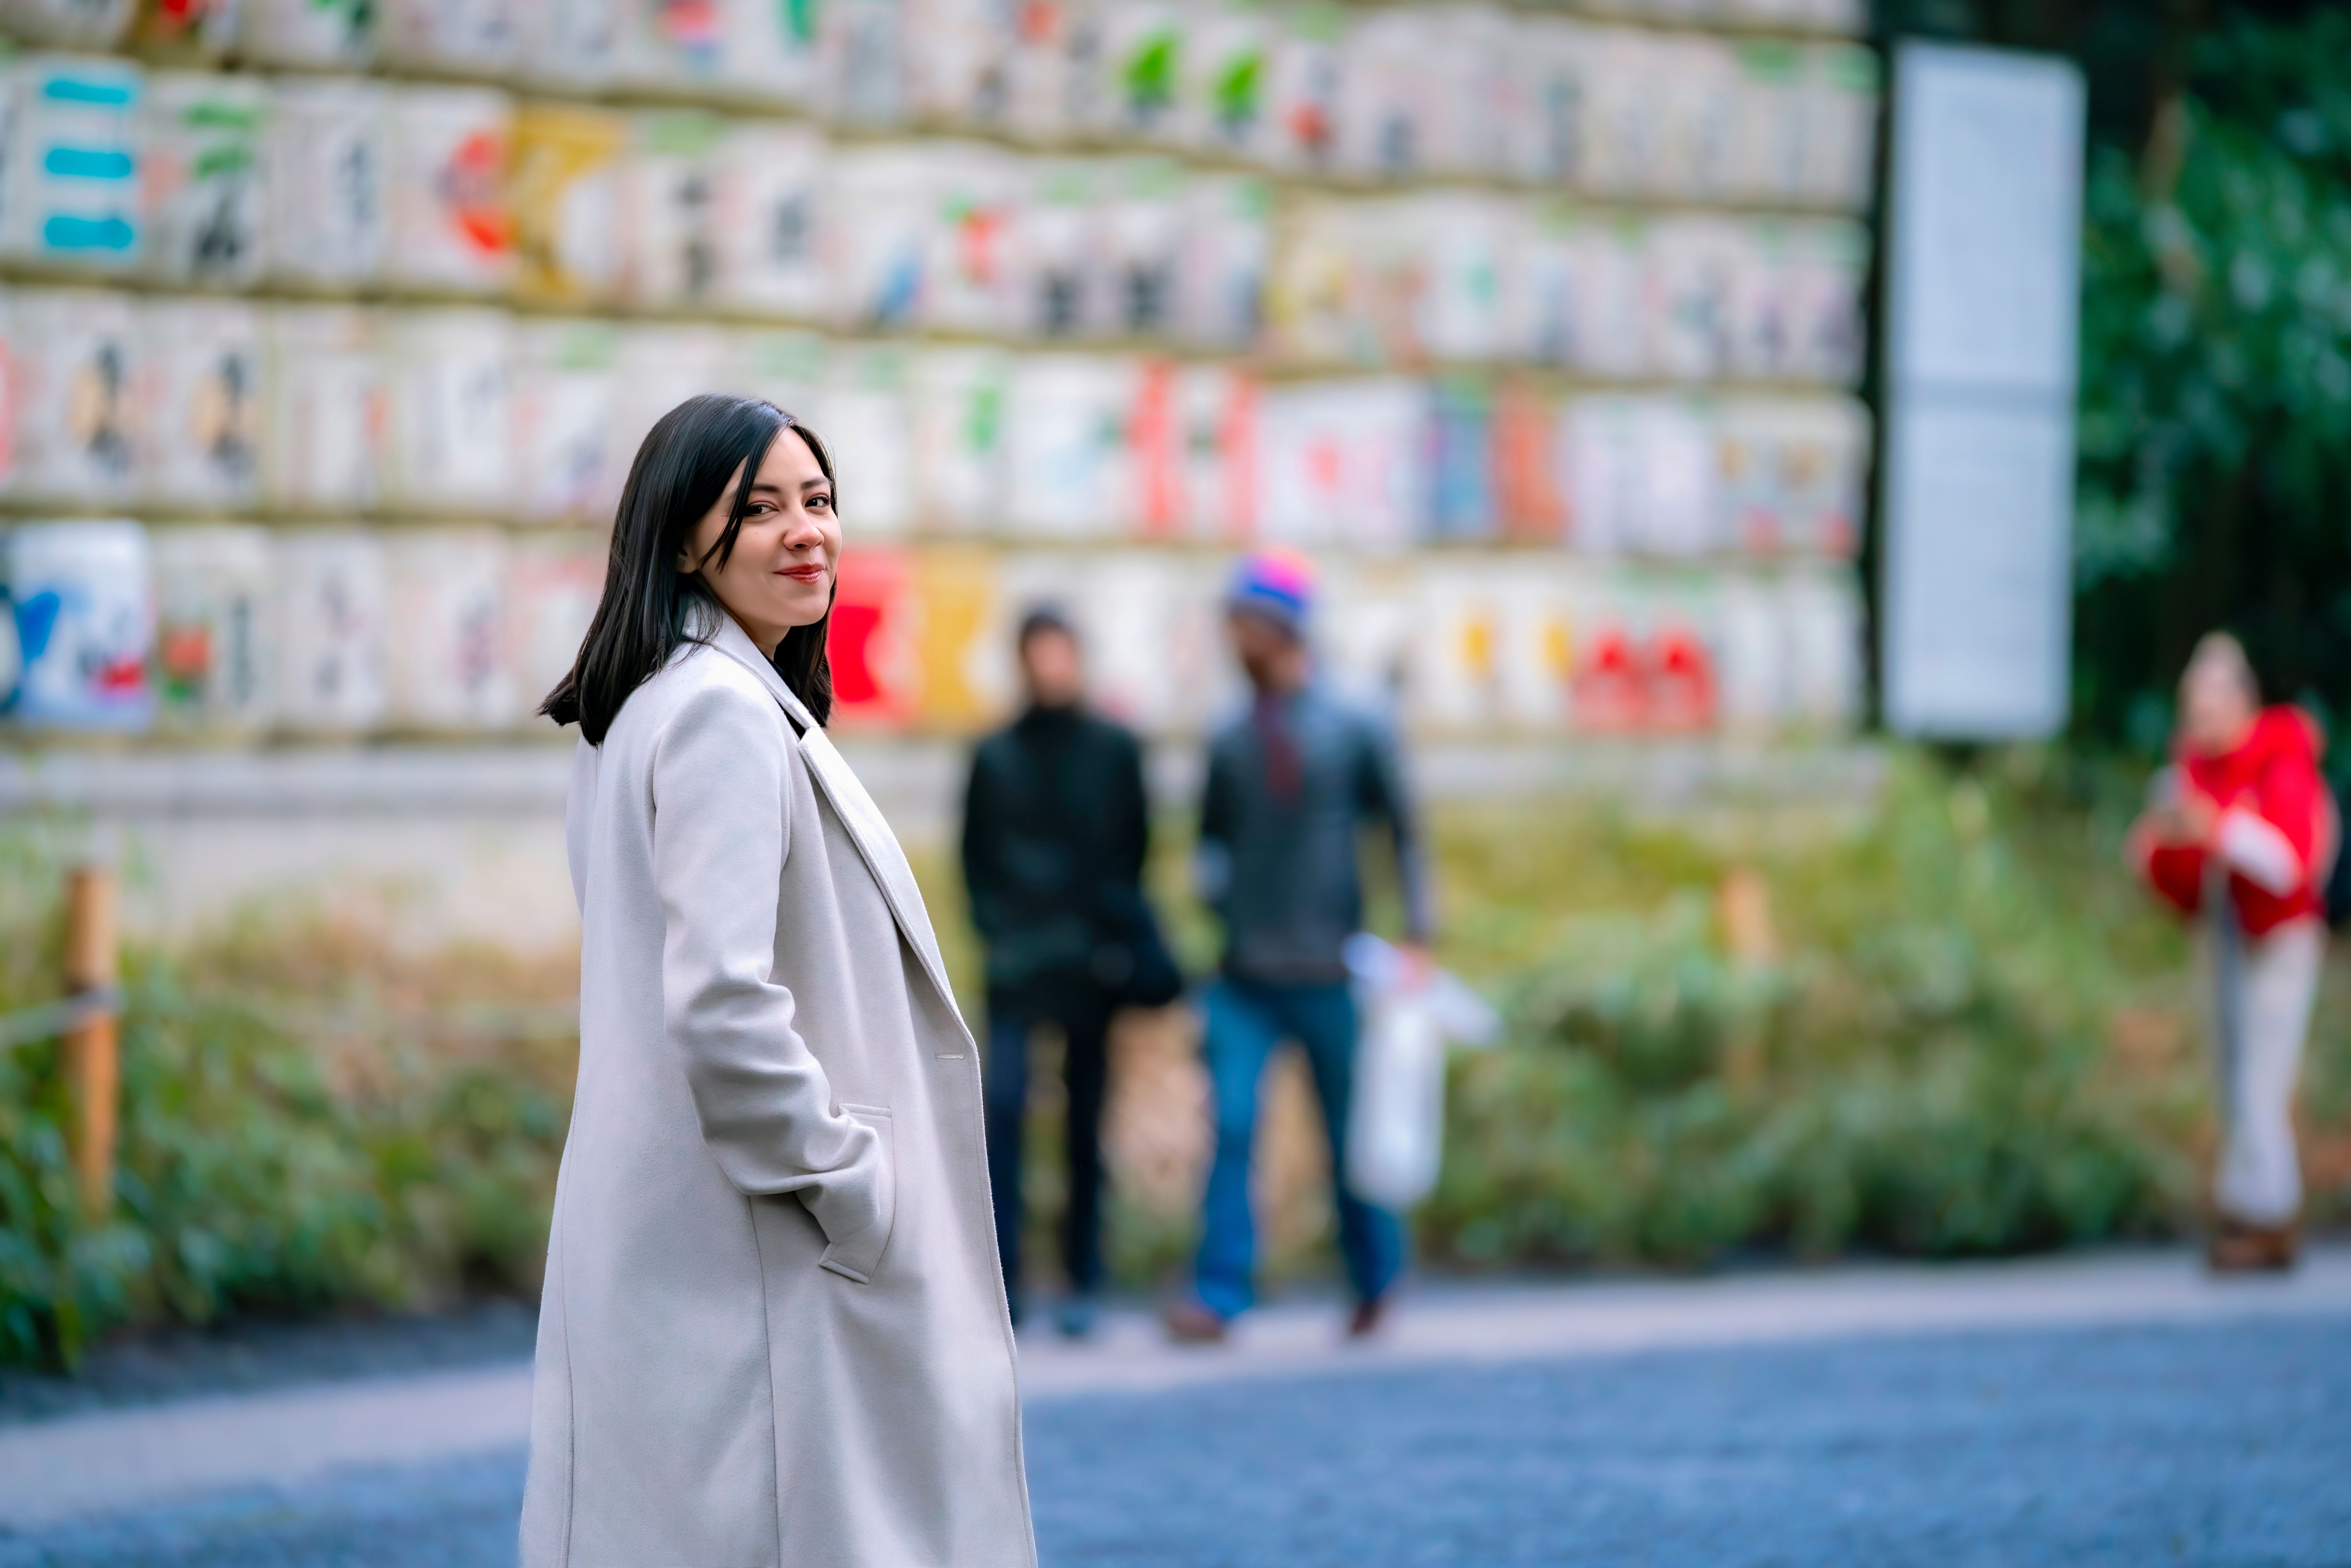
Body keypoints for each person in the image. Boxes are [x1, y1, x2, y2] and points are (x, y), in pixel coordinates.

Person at [523, 395, 1034, 1567]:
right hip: (758, 1243)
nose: (805, 532)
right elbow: (719, 1002)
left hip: (688, 1235)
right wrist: (846, 1178)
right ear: (680, 535)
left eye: (817, 500)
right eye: (757, 509)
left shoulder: (647, 705)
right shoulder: (717, 714)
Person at [1164, 550, 1434, 1344]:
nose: (1232, 638)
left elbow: (1404, 834)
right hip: (1244, 973)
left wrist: (1418, 935)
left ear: (1281, 628)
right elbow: (1210, 839)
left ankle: (1376, 1278)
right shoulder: (1227, 738)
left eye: (1243, 622)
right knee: (1236, 1122)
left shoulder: (1355, 724)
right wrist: (1213, 904)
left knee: (1352, 1135)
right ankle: (1218, 1293)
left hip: (1331, 967)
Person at [960, 608, 1151, 1338]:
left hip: (1090, 964)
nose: (1049, 666)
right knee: (1001, 1116)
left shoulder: (1113, 749)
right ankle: (1005, 1285)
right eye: (1036, 653)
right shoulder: (995, 755)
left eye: (1059, 652)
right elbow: (975, 858)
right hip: (1016, 966)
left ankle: (1083, 1280)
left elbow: (1132, 849)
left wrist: (1111, 936)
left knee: (1083, 1127)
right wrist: (998, 938)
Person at [2128, 632, 2338, 1273]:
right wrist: (2161, 845)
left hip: (2279, 939)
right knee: (2229, 1076)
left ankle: (2269, 1213)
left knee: (2260, 1082)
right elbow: (2169, 874)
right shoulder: (2189, 773)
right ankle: (2241, 1204)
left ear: (2242, 702)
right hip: (2218, 939)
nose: (2204, 722)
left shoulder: (2280, 757)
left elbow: (2288, 862)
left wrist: (2216, 827)